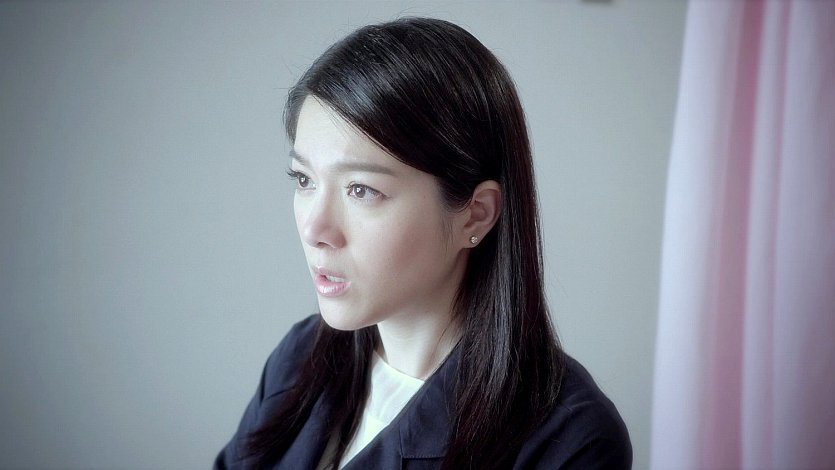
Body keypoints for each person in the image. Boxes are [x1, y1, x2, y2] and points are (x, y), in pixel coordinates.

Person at [215, 17, 631, 469]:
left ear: (476, 213)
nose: (315, 229)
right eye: (304, 179)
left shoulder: (570, 440)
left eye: (361, 190)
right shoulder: (298, 360)